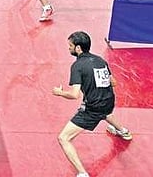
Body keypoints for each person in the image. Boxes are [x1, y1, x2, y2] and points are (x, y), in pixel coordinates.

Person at [52, 31, 133, 177]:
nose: (68, 48)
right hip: (109, 100)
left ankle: (82, 173)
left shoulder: (77, 66)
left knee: (63, 138)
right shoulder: (100, 60)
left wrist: (59, 92)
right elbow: (113, 82)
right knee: (105, 112)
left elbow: (74, 94)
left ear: (78, 48)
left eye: (70, 46)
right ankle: (123, 132)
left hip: (93, 109)